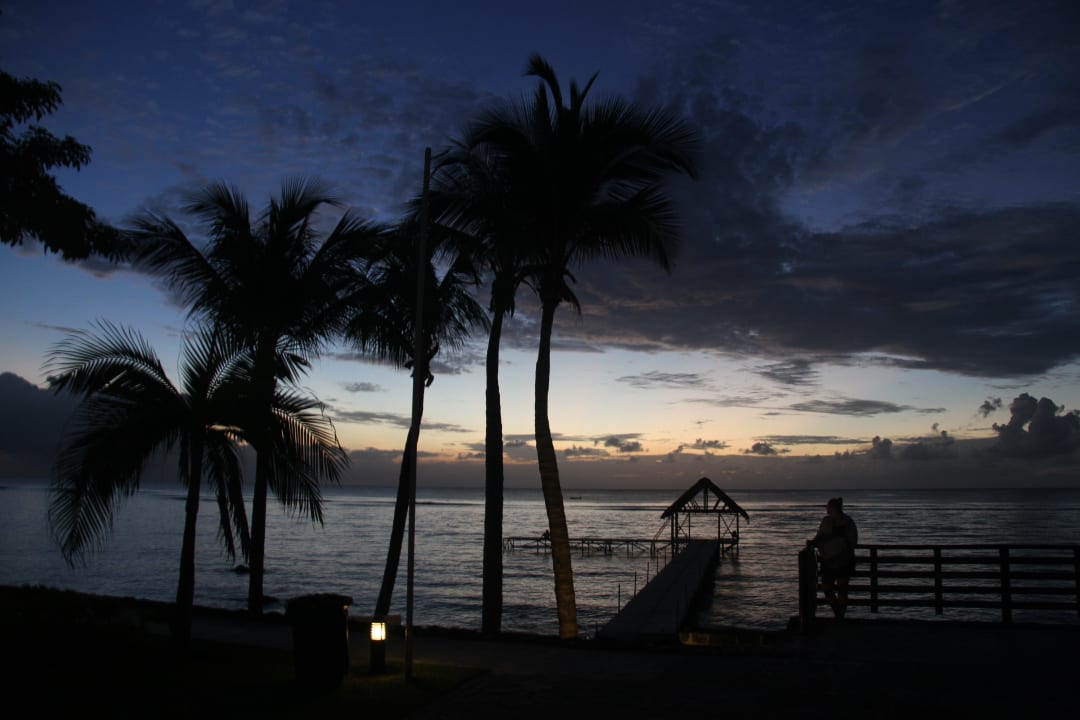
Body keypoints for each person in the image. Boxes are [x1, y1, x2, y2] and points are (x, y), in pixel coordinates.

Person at [807, 497, 858, 618]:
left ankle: (840, 616)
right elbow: (819, 536)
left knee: (842, 590)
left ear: (834, 508)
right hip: (828, 561)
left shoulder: (847, 522)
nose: (827, 510)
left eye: (828, 507)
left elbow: (852, 542)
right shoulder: (826, 521)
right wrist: (813, 543)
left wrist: (841, 549)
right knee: (827, 588)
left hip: (843, 561)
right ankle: (838, 613)